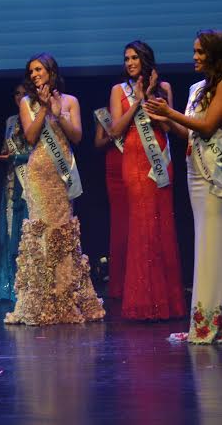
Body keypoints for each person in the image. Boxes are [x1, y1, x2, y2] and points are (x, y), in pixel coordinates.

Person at [5, 53, 104, 325]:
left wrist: (58, 114)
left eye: (39, 69)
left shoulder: (70, 101)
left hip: (63, 173)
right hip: (39, 172)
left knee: (62, 232)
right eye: (31, 71)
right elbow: (30, 136)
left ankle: (64, 297)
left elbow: (77, 136)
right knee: (41, 232)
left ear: (51, 71)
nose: (35, 74)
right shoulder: (27, 102)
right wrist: (44, 109)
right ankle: (40, 301)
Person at [146, 30, 222, 344]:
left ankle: (207, 325)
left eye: (200, 52)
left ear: (214, 55)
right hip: (195, 172)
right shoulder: (195, 89)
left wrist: (170, 112)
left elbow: (207, 127)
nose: (194, 57)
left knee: (212, 247)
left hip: (214, 173)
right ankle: (202, 323)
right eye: (193, 51)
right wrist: (163, 120)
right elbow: (189, 133)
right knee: (203, 245)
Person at [106, 41, 185, 320]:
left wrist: (154, 103)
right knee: (141, 226)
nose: (129, 62)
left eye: (134, 57)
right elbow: (115, 130)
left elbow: (171, 127)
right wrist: (137, 101)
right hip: (135, 160)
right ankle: (141, 302)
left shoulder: (164, 89)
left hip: (160, 158)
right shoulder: (119, 91)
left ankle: (166, 302)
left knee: (161, 223)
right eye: (126, 58)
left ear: (145, 60)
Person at [0, 83, 32, 303]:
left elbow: (38, 152)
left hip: (30, 180)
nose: (20, 97)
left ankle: (29, 286)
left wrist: (18, 158)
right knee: (9, 232)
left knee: (26, 227)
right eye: (17, 93)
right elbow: (6, 148)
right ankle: (10, 286)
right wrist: (6, 155)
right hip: (11, 180)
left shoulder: (36, 118)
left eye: (25, 93)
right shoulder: (10, 121)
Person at [93, 94, 130, 300]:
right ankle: (120, 279)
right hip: (114, 167)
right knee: (120, 223)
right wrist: (113, 136)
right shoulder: (103, 114)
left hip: (133, 160)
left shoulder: (134, 109)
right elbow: (98, 143)